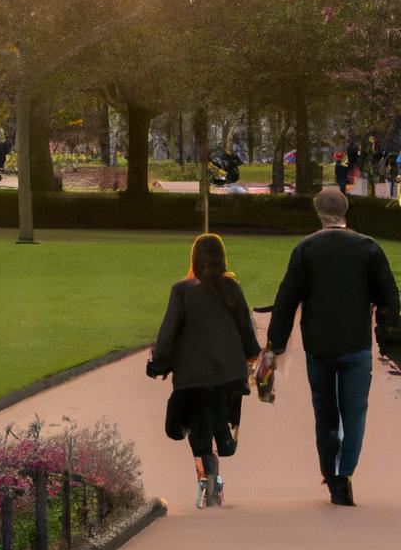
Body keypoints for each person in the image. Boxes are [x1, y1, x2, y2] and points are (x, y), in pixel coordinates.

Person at [267, 188, 399, 506]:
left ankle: (331, 474)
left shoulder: (306, 249)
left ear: (318, 212)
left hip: (319, 345)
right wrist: (390, 340)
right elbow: (389, 299)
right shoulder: (368, 247)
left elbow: (286, 300)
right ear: (346, 209)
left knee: (325, 413)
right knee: (354, 413)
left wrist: (275, 345)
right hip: (356, 344)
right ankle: (344, 471)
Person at [147, 234, 261, 508]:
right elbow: (246, 329)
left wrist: (158, 364)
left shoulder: (183, 291)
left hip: (193, 378)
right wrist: (250, 355)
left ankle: (209, 481)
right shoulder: (232, 288)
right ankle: (226, 437)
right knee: (223, 418)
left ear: (194, 260)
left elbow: (168, 332)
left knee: (198, 438)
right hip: (229, 375)